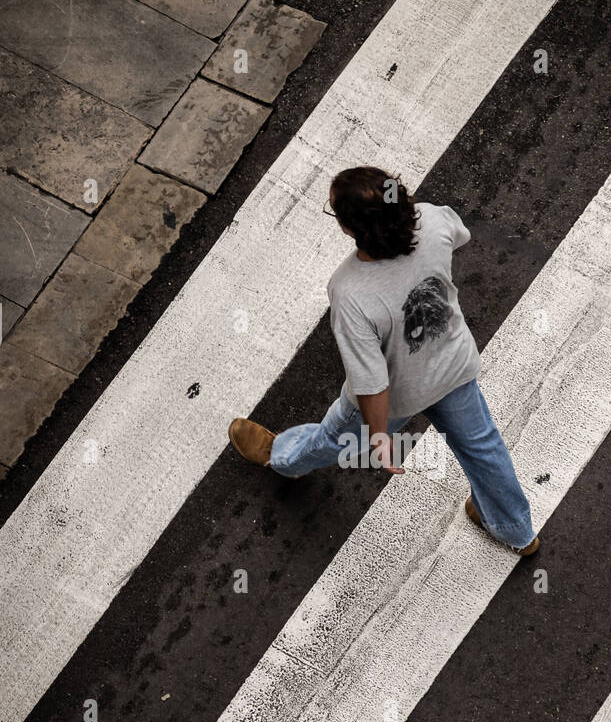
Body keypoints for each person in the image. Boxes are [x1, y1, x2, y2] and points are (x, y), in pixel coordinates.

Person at [229, 166, 539, 556]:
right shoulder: (430, 219)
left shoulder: (349, 290)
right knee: (483, 448)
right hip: (454, 366)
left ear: (347, 228)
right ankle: (516, 532)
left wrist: (379, 437)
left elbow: (371, 381)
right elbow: (459, 235)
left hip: (398, 396)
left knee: (334, 438)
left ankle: (283, 458)